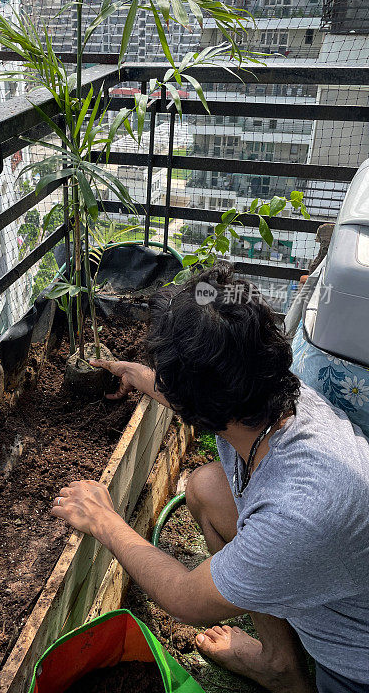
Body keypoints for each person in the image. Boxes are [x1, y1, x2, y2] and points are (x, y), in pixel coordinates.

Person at [52, 263, 369, 693]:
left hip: (355, 664)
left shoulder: (300, 511)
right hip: (328, 576)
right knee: (205, 487)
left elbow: (185, 597)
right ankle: (278, 661)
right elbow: (208, 395)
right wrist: (140, 376)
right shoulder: (272, 388)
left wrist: (105, 520)